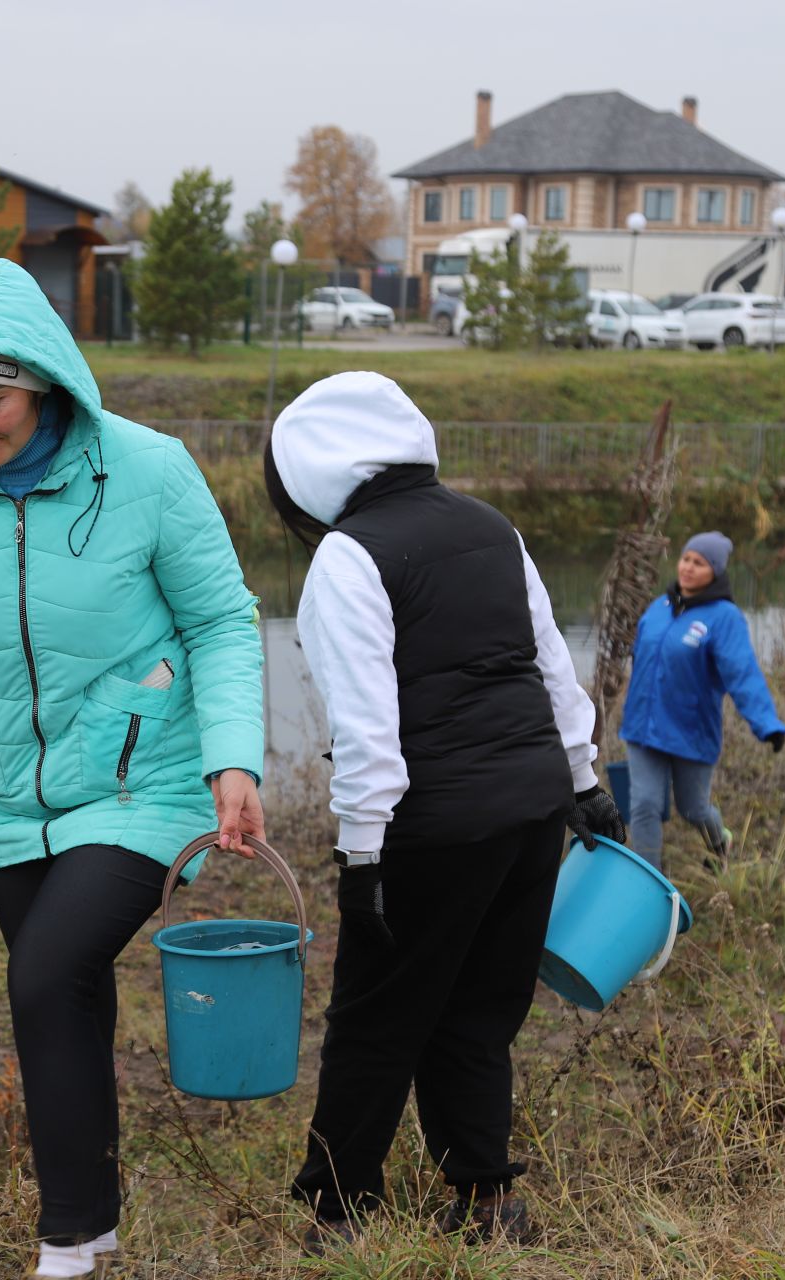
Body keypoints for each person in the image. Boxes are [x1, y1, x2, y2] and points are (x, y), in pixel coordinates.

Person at [0, 259, 266, 1280]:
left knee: (44, 971)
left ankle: (65, 1241)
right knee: (58, 998)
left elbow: (222, 618)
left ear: (40, 378)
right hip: (10, 794)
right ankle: (96, 1222)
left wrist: (231, 758)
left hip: (141, 782)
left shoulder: (149, 469)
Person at [263, 372, 621, 1248]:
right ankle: (487, 1200)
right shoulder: (493, 528)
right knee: (479, 1011)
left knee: (377, 1016)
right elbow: (552, 669)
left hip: (434, 825)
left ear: (307, 475)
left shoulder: (350, 555)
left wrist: (361, 859)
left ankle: (338, 1210)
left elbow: (367, 730)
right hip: (533, 810)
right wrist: (586, 781)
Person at [619, 532, 785, 871]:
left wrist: (766, 722)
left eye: (700, 563)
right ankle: (645, 883)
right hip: (643, 726)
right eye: (686, 559)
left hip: (690, 731)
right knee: (644, 804)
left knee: (693, 808)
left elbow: (742, 673)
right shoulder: (660, 607)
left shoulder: (724, 617)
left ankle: (719, 842)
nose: (689, 568)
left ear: (716, 572)